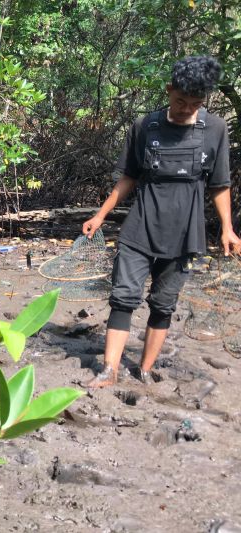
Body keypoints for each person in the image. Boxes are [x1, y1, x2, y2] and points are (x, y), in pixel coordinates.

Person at [82, 56, 241, 388]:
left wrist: (227, 228)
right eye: (180, 100)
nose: (186, 108)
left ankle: (143, 370)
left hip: (186, 233)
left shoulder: (215, 129)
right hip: (140, 226)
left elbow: (220, 185)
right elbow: (128, 177)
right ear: (169, 90)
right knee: (124, 295)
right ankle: (109, 371)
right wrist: (100, 215)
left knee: (163, 302)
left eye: (195, 103)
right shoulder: (145, 127)